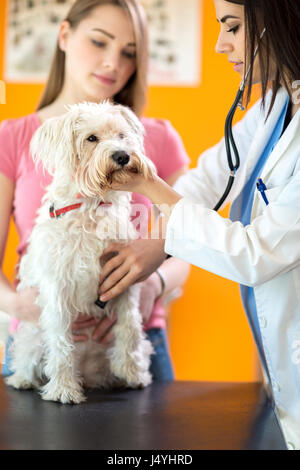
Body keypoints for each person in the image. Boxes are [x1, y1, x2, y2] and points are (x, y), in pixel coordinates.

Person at [96, 0, 300, 450]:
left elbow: (255, 254)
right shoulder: (275, 106)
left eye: (232, 27)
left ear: (281, 20)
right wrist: (157, 240)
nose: (220, 44)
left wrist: (151, 187)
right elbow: (211, 176)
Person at [0, 0, 190, 381]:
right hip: (44, 344)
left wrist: (154, 282)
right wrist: (21, 305)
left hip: (134, 343)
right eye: (99, 42)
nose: (112, 63)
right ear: (65, 35)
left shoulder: (159, 139)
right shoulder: (13, 137)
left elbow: (190, 242)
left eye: (129, 53)